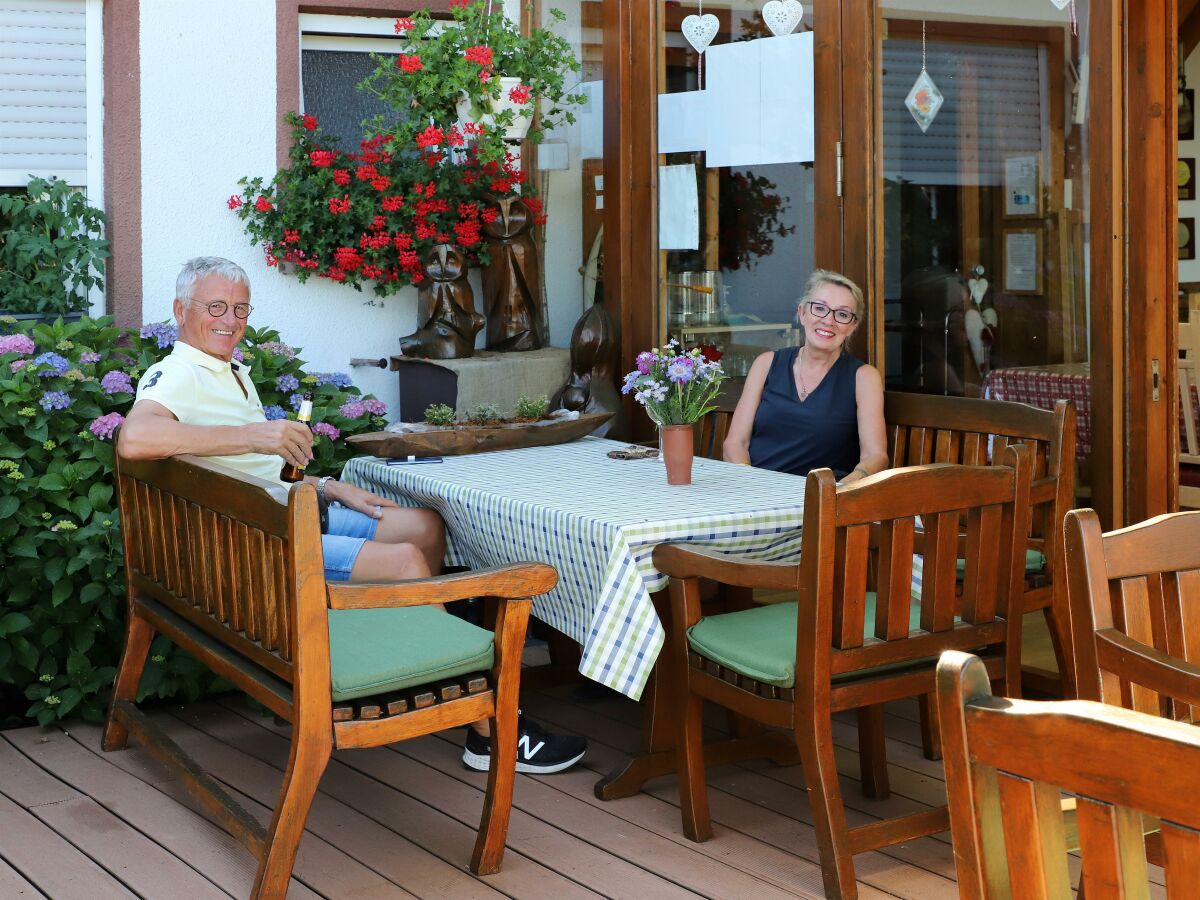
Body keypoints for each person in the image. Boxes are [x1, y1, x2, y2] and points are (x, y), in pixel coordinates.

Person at [118, 256, 586, 775]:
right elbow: (135, 438)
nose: (230, 320)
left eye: (240, 309)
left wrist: (332, 485)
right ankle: (492, 730)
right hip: (259, 546)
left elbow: (246, 466)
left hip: (276, 516)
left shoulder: (225, 370)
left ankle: (407, 674)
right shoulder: (180, 372)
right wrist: (258, 434)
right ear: (181, 311)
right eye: (215, 307)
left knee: (423, 525)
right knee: (408, 562)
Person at [723, 269, 888, 483]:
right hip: (757, 490)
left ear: (852, 327)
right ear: (802, 313)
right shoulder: (766, 363)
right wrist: (752, 483)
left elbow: (875, 455)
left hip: (823, 500)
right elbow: (735, 443)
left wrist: (842, 488)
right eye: (819, 308)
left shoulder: (864, 377)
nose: (829, 321)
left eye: (843, 314)